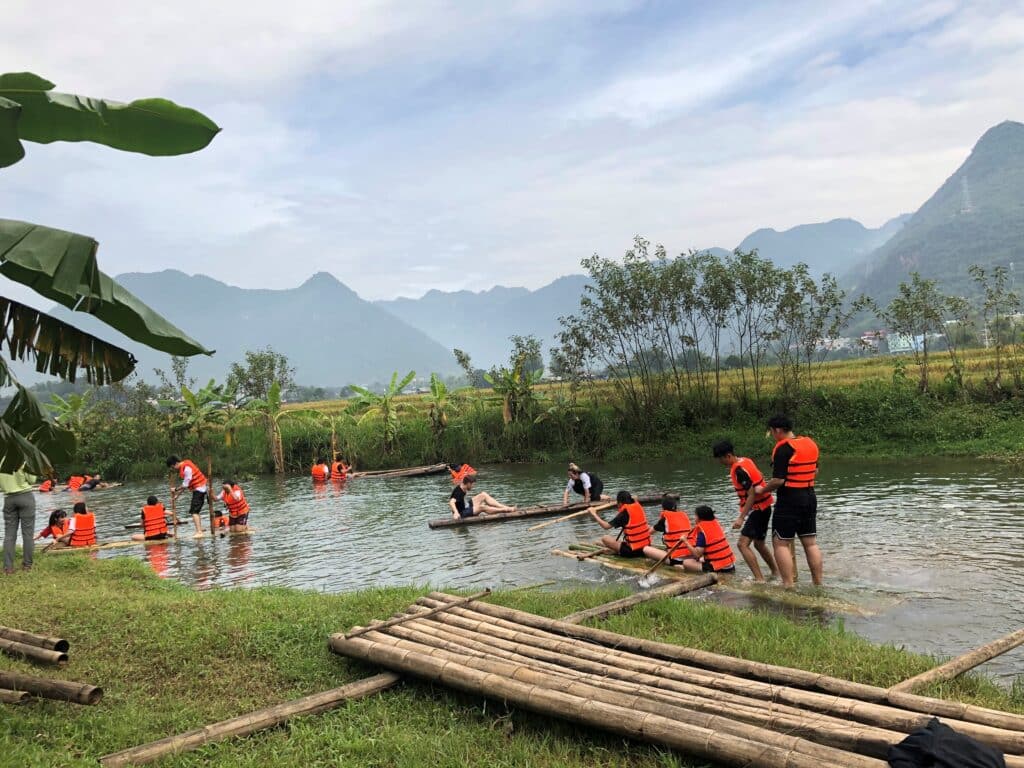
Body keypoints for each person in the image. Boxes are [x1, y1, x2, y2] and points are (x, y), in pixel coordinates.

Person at [761, 414, 822, 588]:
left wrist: (762, 489)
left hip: (790, 499)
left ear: (778, 430)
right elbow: (815, 471)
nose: (773, 435)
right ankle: (818, 584)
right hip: (810, 496)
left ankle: (788, 585)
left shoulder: (783, 449)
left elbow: (778, 480)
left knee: (781, 543)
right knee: (810, 543)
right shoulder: (810, 443)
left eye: (772, 432)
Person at [712, 440, 779, 582]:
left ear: (728, 456)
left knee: (742, 544)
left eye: (721, 459)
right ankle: (775, 572)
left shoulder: (738, 470)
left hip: (758, 509)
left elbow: (752, 494)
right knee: (759, 544)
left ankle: (759, 579)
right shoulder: (746, 460)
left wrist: (741, 518)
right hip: (764, 507)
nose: (720, 462)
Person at [590, 491, 651, 558]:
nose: (617, 505)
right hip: (646, 547)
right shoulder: (638, 507)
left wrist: (594, 514)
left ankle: (616, 551)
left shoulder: (623, 514)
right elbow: (635, 497)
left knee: (605, 538)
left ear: (620, 503)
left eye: (617, 503)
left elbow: (606, 526)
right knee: (619, 541)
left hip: (632, 552)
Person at [677, 505, 736, 574]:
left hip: (719, 568)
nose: (694, 518)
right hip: (730, 565)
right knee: (702, 559)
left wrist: (685, 541)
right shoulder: (716, 524)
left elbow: (697, 554)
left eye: (695, 516)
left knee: (686, 562)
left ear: (700, 518)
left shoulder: (702, 531)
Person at [2, 466, 37, 574]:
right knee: (27, 534)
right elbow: (32, 480)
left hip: (8, 498)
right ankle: (27, 565)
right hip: (25, 496)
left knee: (9, 535)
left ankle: (8, 567)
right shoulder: (22, 459)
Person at [642, 494, 692, 565]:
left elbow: (649, 532)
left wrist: (643, 527)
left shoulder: (665, 519)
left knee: (646, 549)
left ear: (663, 507)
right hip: (691, 556)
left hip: (676, 559)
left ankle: (674, 564)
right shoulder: (684, 515)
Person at [167, 456, 209, 537]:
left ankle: (199, 532)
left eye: (173, 467)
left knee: (194, 512)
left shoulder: (186, 468)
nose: (174, 469)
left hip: (199, 490)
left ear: (175, 463)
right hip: (199, 489)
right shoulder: (186, 466)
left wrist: (175, 489)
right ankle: (200, 528)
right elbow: (187, 484)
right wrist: (177, 496)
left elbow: (185, 485)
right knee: (195, 511)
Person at [449, 474, 515, 519]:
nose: (473, 487)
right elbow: (451, 502)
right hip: (462, 513)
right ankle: (505, 509)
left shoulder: (463, 486)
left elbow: (464, 479)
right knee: (482, 507)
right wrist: (456, 513)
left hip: (466, 506)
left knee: (483, 494)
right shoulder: (458, 491)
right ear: (468, 483)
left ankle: (504, 506)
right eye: (472, 485)